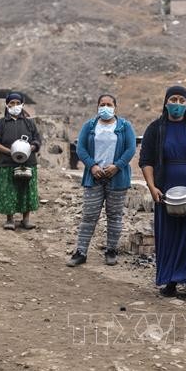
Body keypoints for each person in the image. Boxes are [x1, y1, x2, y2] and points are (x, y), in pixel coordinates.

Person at [138, 85, 186, 300]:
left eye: (182, 101)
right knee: (169, 234)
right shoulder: (156, 129)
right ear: (166, 102)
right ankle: (170, 280)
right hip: (165, 187)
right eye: (174, 99)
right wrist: (152, 187)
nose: (178, 104)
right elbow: (146, 161)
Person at [67, 94, 136, 266]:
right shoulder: (90, 126)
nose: (105, 107)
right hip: (94, 176)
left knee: (114, 216)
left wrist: (117, 166)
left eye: (109, 104)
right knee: (89, 216)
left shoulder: (125, 126)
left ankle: (111, 251)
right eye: (102, 104)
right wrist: (92, 166)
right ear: (97, 107)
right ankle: (80, 252)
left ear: (115, 107)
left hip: (117, 177)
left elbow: (130, 149)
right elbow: (81, 148)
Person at [0, 92, 42, 230]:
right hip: (8, 163)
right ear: (7, 105)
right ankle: (10, 219)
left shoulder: (29, 123)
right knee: (9, 190)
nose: (15, 106)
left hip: (28, 162)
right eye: (11, 103)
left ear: (22, 104)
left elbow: (37, 139)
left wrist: (30, 147)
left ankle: (26, 219)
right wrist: (10, 151)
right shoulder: (1, 123)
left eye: (18, 103)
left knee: (27, 190)